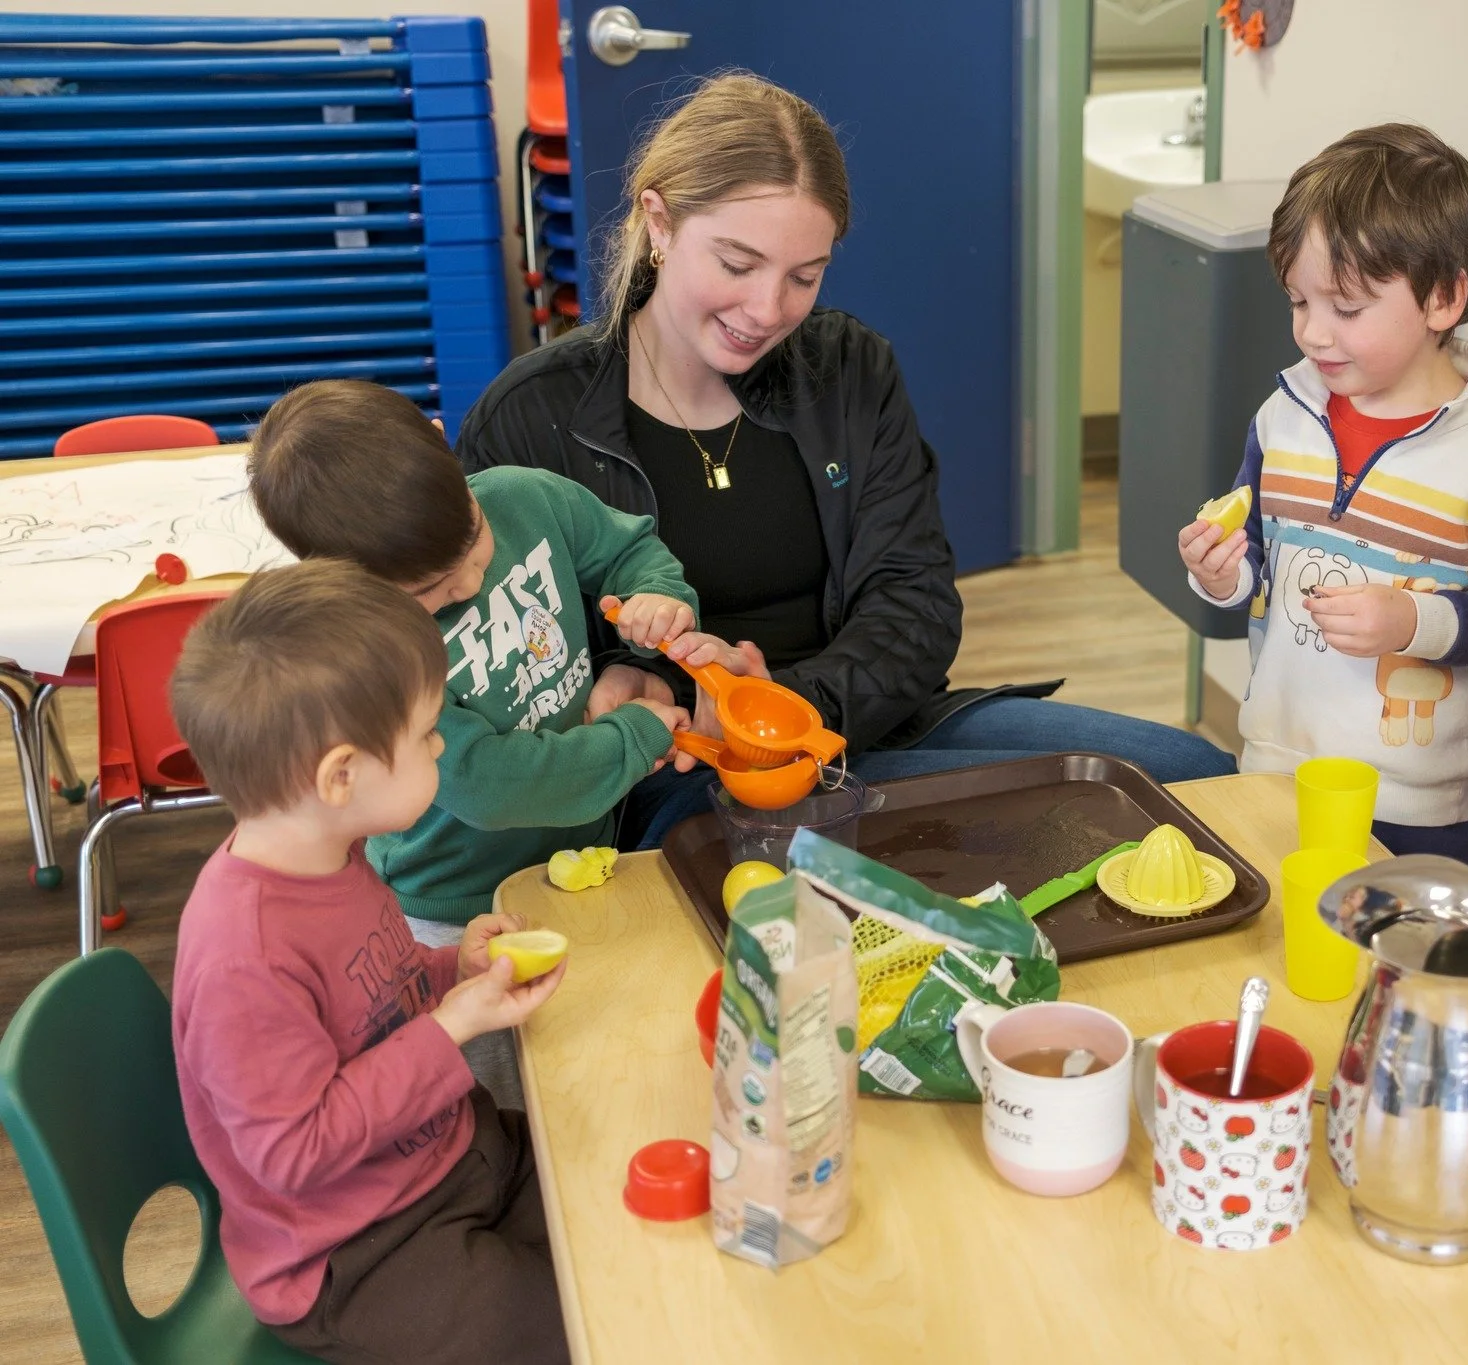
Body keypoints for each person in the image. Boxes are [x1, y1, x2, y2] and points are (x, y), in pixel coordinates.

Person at [451, 72, 1234, 850]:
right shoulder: (531, 420)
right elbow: (483, 684)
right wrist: (635, 696)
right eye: (736, 263)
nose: (768, 311)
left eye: (804, 276)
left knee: (1201, 775)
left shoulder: (850, 368)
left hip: (860, 724)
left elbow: (917, 607)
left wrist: (790, 704)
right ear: (658, 222)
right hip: (673, 774)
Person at [247, 378, 695, 1103]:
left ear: (440, 441)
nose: (472, 577)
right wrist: (632, 742)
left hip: (583, 848)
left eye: (474, 536)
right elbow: (487, 782)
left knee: (594, 1067)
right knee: (503, 1103)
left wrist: (659, 599)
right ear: (337, 578)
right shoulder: (373, 652)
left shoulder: (525, 495)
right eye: (432, 587)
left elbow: (628, 549)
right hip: (452, 909)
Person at [169, 561, 569, 1365]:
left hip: (452, 1161)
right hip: (356, 1250)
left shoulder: (334, 852)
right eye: (426, 732)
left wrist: (452, 967)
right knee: (574, 1328)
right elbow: (293, 1151)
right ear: (341, 774)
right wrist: (452, 1028)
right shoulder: (241, 954)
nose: (441, 741)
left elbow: (373, 996)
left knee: (608, 1218)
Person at [1178, 125, 1468, 865]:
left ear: (1444, 297)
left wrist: (1414, 621)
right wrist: (1224, 574)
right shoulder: (1281, 416)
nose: (1314, 334)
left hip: (1413, 805)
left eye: (1346, 308)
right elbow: (1255, 556)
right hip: (1270, 768)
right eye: (1299, 302)